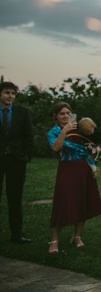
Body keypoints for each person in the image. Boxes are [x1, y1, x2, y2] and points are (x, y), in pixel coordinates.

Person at [47, 102, 101, 254]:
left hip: (84, 168)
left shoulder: (79, 129)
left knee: (82, 201)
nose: (65, 116)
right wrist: (64, 131)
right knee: (62, 202)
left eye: (68, 113)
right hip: (67, 168)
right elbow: (55, 148)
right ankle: (54, 240)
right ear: (56, 116)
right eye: (62, 114)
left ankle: (77, 236)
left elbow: (94, 144)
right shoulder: (53, 131)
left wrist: (94, 163)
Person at [0, 81, 33, 244]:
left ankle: (16, 234)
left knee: (15, 198)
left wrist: (25, 156)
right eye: (7, 92)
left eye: (13, 93)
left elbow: (28, 136)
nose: (10, 96)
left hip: (16, 161)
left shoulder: (22, 112)